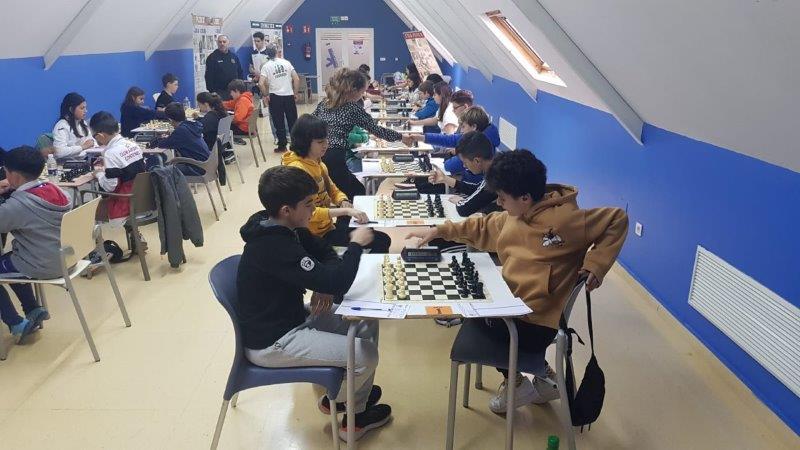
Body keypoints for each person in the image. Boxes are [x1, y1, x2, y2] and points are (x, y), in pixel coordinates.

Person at [406, 150, 628, 414]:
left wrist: (596, 264)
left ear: (525, 198)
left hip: (535, 322)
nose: (499, 203)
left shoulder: (566, 221)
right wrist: (439, 230)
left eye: (502, 198)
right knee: (475, 307)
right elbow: (483, 227)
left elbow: (617, 219)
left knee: (471, 310)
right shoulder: (516, 214)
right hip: (514, 306)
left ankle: (517, 384)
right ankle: (545, 378)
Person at [238, 165, 391, 440]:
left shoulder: (283, 226)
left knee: (366, 320)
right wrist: (355, 246)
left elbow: (324, 252)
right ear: (286, 209)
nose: (315, 210)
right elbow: (339, 281)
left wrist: (323, 284)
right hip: (273, 340)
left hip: (290, 317)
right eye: (308, 204)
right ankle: (345, 407)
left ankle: (351, 404)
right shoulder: (273, 245)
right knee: (366, 356)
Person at [282, 114, 391, 253]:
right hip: (314, 236)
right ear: (305, 142)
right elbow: (308, 213)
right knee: (381, 240)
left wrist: (342, 200)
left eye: (326, 139)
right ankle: (350, 265)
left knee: (366, 227)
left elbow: (333, 189)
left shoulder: (317, 162)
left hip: (327, 227)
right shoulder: (298, 170)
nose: (326, 144)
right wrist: (345, 211)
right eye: (320, 142)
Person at [0, 147, 69, 340]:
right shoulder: (58, 190)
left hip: (41, 264)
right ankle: (32, 309)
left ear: (13, 176)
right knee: (10, 261)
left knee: (13, 262)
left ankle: (16, 323)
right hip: (66, 256)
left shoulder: (17, 206)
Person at [313, 68, 403, 199]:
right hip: (335, 156)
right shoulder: (352, 108)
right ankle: (346, 212)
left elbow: (309, 123)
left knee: (342, 192)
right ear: (354, 90)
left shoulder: (324, 103)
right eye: (362, 92)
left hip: (317, 154)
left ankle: (342, 210)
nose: (362, 95)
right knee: (356, 192)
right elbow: (377, 130)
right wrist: (401, 137)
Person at [405, 105, 498, 186]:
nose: (461, 131)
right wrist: (420, 137)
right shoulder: (476, 136)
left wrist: (448, 162)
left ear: (474, 127)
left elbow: (451, 166)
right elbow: (448, 139)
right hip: (464, 181)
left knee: (422, 183)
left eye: (463, 126)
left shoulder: (478, 143)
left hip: (469, 186)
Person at [88, 112, 146, 221]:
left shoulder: (111, 153)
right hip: (142, 201)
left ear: (100, 136)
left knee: (85, 210)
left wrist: (99, 174)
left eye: (94, 136)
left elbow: (110, 187)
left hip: (123, 205)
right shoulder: (133, 145)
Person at [427, 131, 500, 216]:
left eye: (465, 162)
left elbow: (464, 209)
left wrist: (460, 201)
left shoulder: (496, 177)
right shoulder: (495, 166)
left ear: (477, 161)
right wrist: (445, 179)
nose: (464, 166)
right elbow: (478, 190)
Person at [258, 45, 300, 152]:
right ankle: (295, 146)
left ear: (267, 54)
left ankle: (282, 145)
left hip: (275, 97)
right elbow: (296, 79)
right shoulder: (286, 63)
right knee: (293, 121)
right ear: (277, 52)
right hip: (289, 95)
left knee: (278, 122)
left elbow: (261, 83)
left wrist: (266, 95)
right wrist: (295, 93)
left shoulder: (266, 66)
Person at [155, 103, 210, 176]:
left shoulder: (181, 131)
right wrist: (171, 136)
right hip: (207, 165)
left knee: (159, 171)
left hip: (197, 167)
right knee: (170, 166)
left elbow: (162, 144)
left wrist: (159, 138)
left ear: (170, 120)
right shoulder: (192, 126)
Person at [53, 92, 94, 161]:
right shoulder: (61, 126)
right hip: (66, 164)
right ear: (71, 109)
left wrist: (93, 144)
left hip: (84, 160)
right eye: (82, 108)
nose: (86, 111)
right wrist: (83, 147)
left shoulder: (83, 123)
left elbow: (91, 142)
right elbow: (59, 152)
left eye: (85, 108)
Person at [196, 92, 234, 163]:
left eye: (199, 104)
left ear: (206, 104)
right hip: (222, 144)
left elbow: (198, 129)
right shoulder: (221, 112)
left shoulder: (210, 117)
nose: (198, 107)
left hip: (211, 145)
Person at [205, 35, 244, 100]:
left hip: (235, 91)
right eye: (220, 42)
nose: (222, 44)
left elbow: (240, 72)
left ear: (228, 42)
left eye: (224, 42)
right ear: (217, 43)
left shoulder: (234, 56)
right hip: (220, 92)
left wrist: (241, 88)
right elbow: (208, 76)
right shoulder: (212, 57)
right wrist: (212, 91)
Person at [222, 79, 255, 145]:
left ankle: (226, 147)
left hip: (243, 129)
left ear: (236, 91)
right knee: (224, 124)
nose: (230, 94)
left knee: (221, 127)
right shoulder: (243, 98)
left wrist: (228, 119)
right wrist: (218, 103)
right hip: (246, 127)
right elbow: (230, 104)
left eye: (231, 92)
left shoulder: (243, 100)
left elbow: (238, 119)